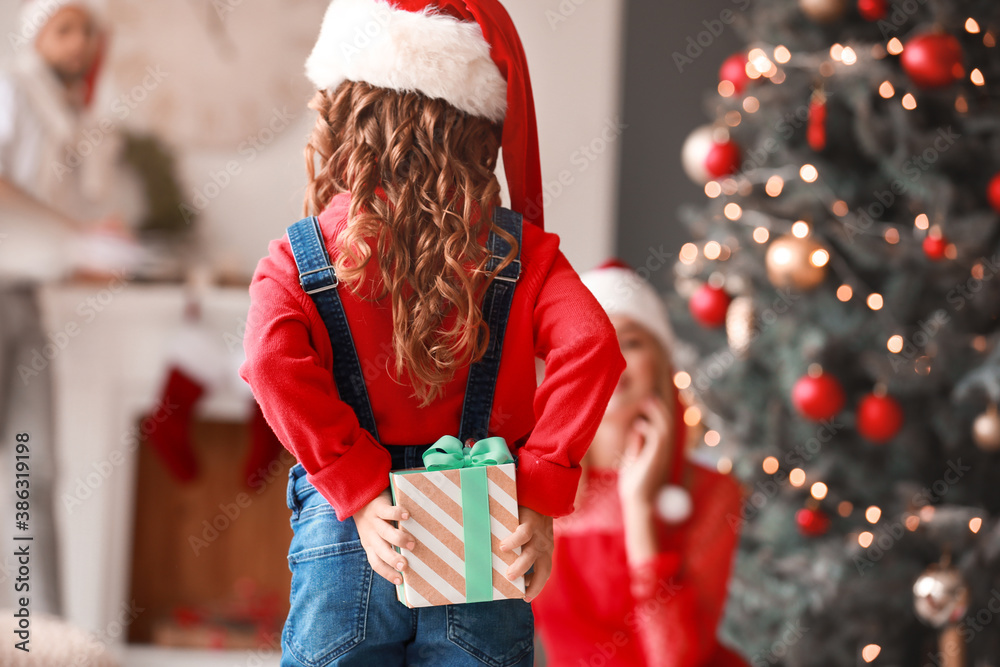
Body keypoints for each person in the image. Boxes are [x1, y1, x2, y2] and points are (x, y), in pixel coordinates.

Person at [238, 1, 626, 665]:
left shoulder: (300, 257)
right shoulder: (520, 254)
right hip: (478, 526)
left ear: (343, 118)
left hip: (354, 532)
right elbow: (591, 345)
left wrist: (357, 484)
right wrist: (535, 488)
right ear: (478, 130)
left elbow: (269, 361)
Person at [532, 260, 750, 667]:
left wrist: (638, 512)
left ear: (660, 363)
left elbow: (676, 659)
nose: (611, 357)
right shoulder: (538, 489)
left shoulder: (711, 492)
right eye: (592, 341)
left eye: (630, 342)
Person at [0, 0, 140, 617]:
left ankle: (41, 632)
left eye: (87, 30)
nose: (78, 42)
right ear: (37, 38)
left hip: (25, 297)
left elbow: (42, 224)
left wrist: (80, 254)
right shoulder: (10, 87)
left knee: (36, 470)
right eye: (65, 30)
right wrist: (76, 238)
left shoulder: (68, 115)